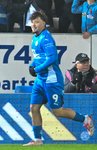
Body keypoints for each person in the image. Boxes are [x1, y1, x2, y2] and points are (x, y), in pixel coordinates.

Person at [23, 11, 94, 146]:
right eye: (32, 22)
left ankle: (85, 120)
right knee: (34, 107)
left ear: (44, 23)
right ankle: (38, 140)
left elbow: (52, 58)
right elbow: (38, 57)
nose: (33, 24)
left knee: (57, 111)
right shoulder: (35, 38)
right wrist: (32, 66)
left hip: (52, 80)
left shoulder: (46, 38)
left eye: (37, 22)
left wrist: (37, 69)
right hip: (40, 80)